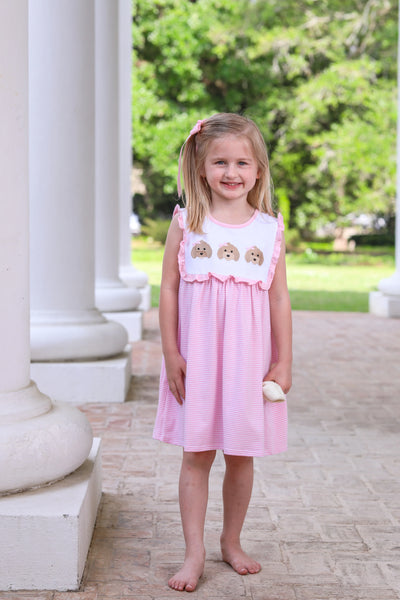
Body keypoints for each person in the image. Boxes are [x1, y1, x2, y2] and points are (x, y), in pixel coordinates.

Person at [153, 113, 292, 592]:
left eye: (242, 163)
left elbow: (279, 298)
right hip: (197, 360)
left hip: (247, 365)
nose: (231, 172)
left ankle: (231, 541)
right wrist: (170, 352)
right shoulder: (186, 223)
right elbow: (168, 289)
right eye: (220, 162)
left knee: (240, 455)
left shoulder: (269, 230)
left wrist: (284, 360)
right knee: (196, 455)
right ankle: (193, 553)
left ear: (258, 171)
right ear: (201, 166)